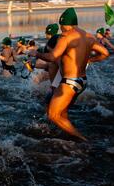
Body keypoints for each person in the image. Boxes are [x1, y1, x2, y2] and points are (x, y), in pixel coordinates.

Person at [29, 8, 109, 141]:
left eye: (61, 27)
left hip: (69, 82)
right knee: (62, 113)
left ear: (64, 24)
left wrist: (36, 53)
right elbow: (105, 53)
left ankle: (82, 140)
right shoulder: (89, 36)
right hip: (82, 81)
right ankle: (69, 137)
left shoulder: (66, 36)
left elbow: (53, 57)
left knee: (53, 115)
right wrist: (90, 60)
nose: (61, 30)